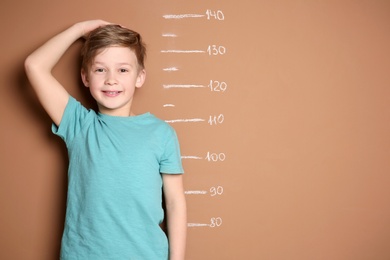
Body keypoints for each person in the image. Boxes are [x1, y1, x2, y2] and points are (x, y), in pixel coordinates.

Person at [24, 20, 187, 260]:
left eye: (123, 70)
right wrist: (80, 29)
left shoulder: (161, 133)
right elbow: (34, 65)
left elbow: (175, 202)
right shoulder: (78, 124)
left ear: (139, 77)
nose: (111, 79)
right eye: (100, 69)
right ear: (85, 77)